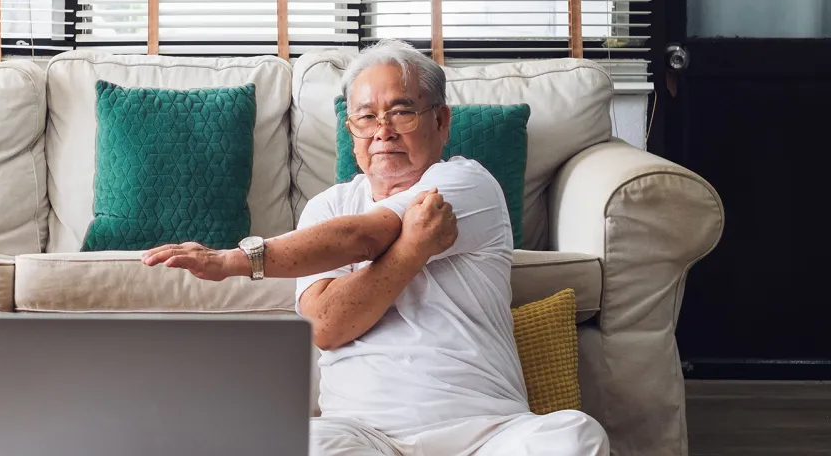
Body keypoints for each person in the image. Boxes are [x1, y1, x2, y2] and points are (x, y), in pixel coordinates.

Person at [143, 39, 609, 455]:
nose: (383, 130)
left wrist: (231, 260)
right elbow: (326, 325)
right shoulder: (327, 209)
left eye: (402, 111)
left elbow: (363, 237)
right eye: (366, 116)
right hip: (363, 435)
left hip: (488, 432)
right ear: (352, 131)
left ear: (441, 121)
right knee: (293, 442)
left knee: (574, 436)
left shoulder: (465, 182)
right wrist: (413, 250)